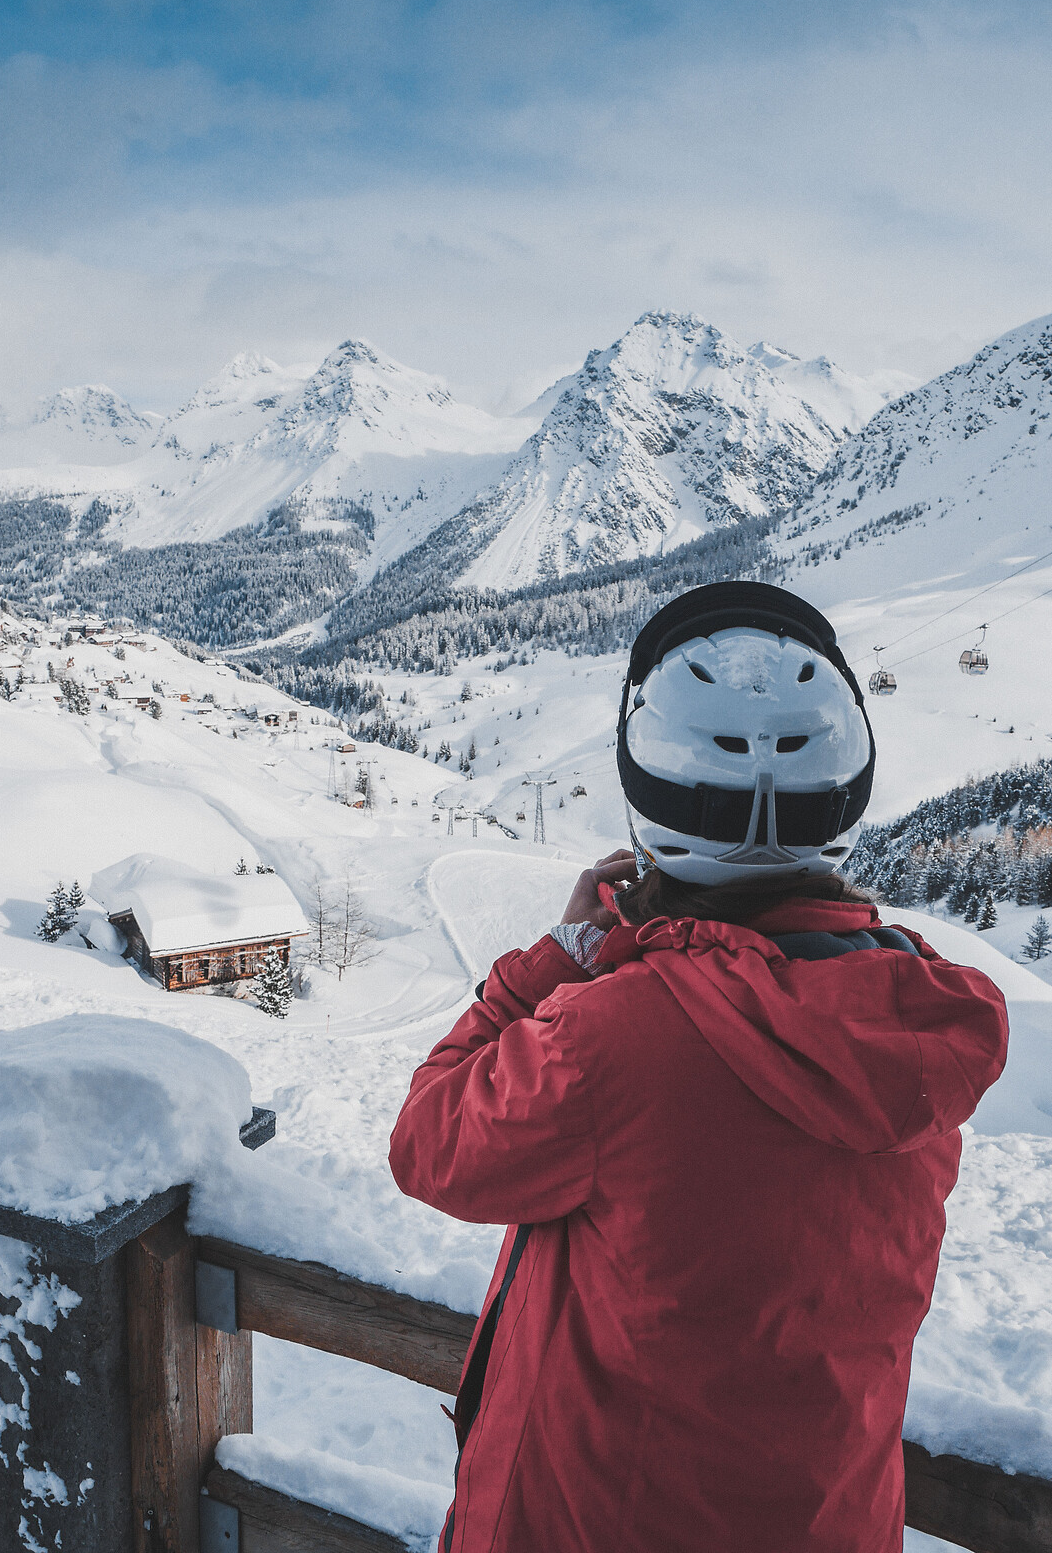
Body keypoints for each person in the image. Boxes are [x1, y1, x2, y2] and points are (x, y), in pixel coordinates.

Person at [389, 581, 1008, 1553]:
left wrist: (555, 959)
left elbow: (431, 1143)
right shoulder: (916, 1019)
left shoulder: (626, 1030)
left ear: (648, 801)